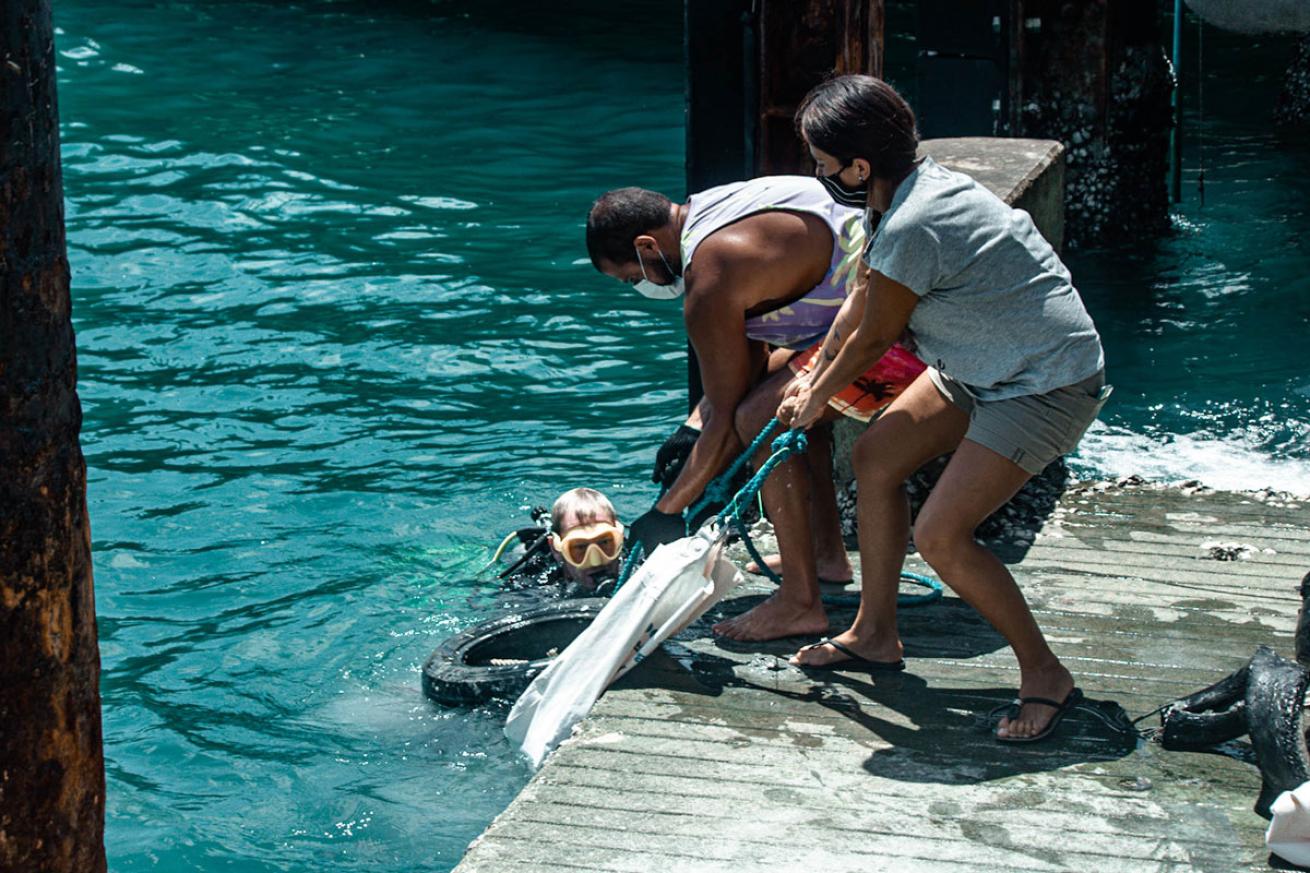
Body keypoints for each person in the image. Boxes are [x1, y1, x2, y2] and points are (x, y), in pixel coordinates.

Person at [778, 74, 1110, 742]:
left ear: (859, 164)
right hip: (981, 366)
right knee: (876, 458)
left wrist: (816, 397)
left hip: (1042, 382)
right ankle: (874, 632)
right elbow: (862, 299)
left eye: (821, 161)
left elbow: (876, 335)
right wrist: (813, 374)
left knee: (941, 536)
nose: (816, 171)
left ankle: (1045, 674)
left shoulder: (916, 220)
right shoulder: (897, 194)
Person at [586, 179, 923, 640]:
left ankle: (800, 601)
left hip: (904, 338)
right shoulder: (719, 206)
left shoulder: (709, 279)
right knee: (780, 398)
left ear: (647, 245)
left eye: (632, 277)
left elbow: (727, 420)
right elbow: (740, 377)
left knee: (759, 417)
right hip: (904, 303)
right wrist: (690, 431)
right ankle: (826, 554)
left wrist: (666, 512)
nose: (638, 287)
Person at [498, 488, 626, 593]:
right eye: (580, 547)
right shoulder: (535, 582)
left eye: (604, 542)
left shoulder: (633, 561)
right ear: (556, 549)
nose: (596, 561)